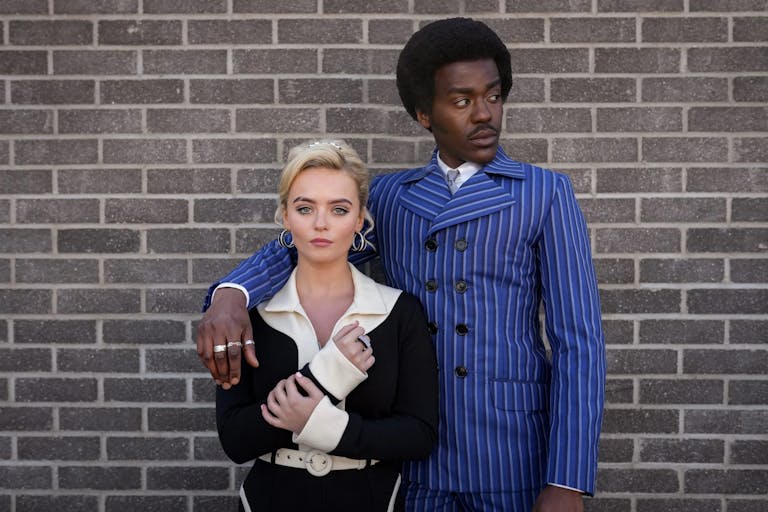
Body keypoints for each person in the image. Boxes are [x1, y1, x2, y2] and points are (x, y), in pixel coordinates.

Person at [200, 17, 605, 512]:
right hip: (413, 456)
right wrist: (232, 294)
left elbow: (578, 344)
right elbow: (303, 244)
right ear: (423, 114)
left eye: (494, 96)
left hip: (511, 447)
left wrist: (566, 479)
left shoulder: (544, 194)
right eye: (462, 101)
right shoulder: (393, 197)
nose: (485, 115)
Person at [215, 140, 439, 512]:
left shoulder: (399, 312)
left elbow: (418, 435)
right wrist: (326, 376)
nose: (321, 223)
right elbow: (236, 441)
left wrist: (324, 425)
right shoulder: (252, 315)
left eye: (338, 209)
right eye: (305, 208)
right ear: (285, 216)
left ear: (359, 219)